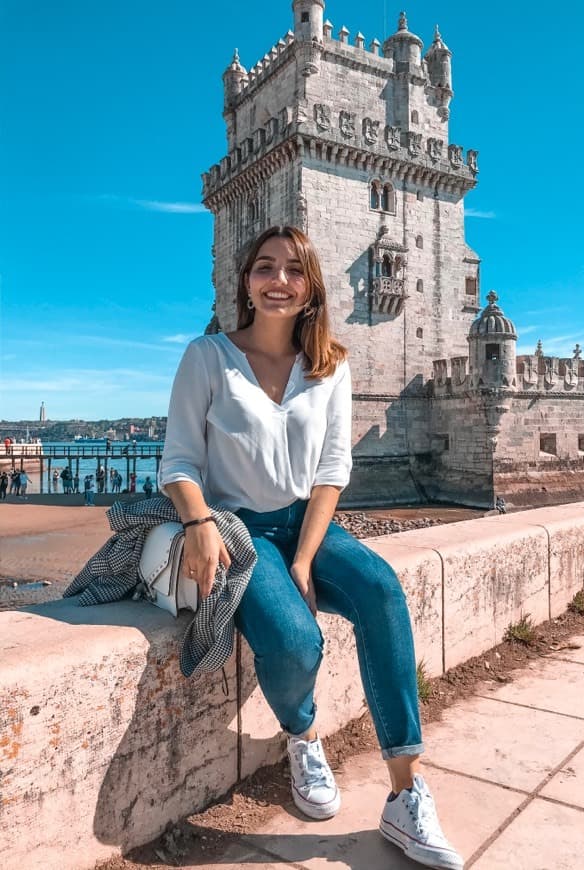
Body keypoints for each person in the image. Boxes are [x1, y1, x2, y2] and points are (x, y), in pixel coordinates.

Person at [158, 226, 463, 870]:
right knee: (296, 641)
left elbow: (332, 471)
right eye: (264, 268)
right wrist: (198, 523)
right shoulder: (207, 356)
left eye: (292, 271)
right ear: (246, 281)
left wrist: (304, 557)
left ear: (310, 288)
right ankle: (302, 735)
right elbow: (179, 461)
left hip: (308, 524)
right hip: (240, 526)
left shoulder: (330, 365)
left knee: (381, 589)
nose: (277, 281)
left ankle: (406, 793)